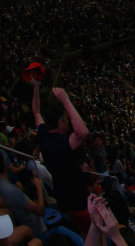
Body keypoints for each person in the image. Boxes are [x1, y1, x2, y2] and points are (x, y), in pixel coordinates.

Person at [31, 81, 91, 235]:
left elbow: (36, 112)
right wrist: (66, 100)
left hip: (62, 197)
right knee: (87, 232)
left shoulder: (43, 134)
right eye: (65, 119)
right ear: (60, 123)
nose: (67, 122)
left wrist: (36, 88)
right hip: (78, 201)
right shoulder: (63, 142)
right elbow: (83, 133)